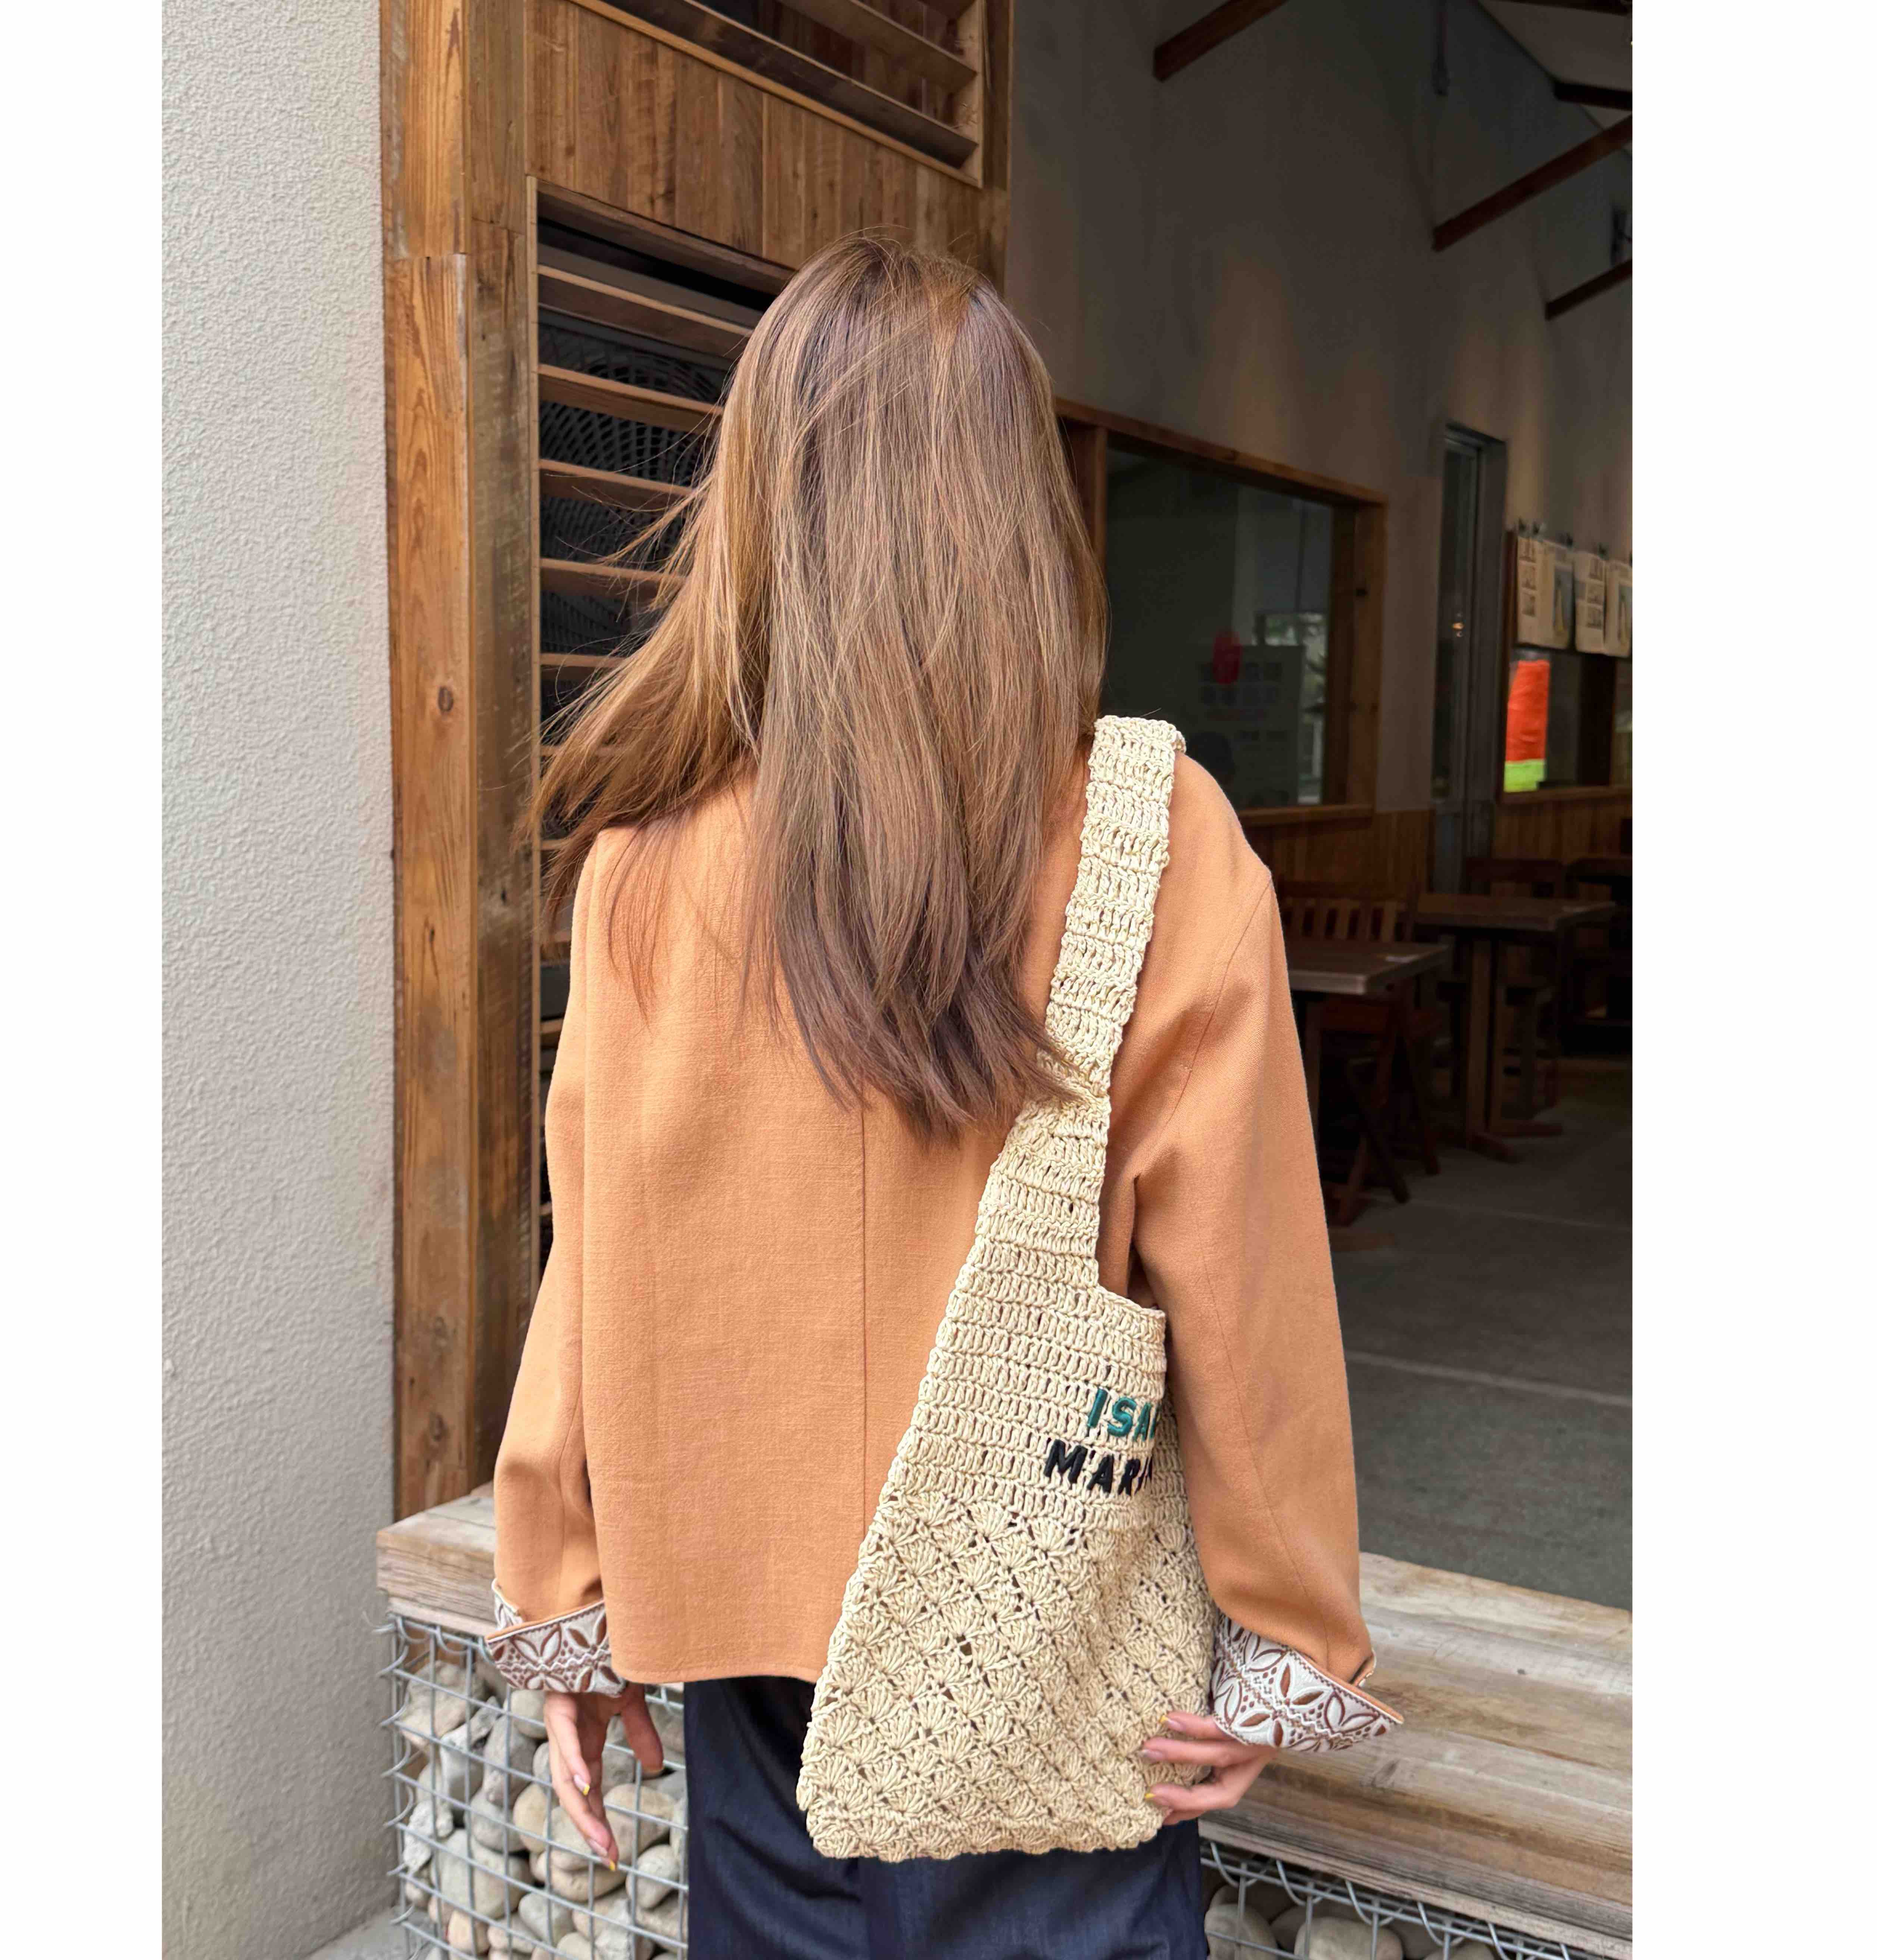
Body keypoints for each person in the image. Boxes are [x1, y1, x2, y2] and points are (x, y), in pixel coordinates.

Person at [492, 233, 1393, 1960]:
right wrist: (1288, 1634)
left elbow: (586, 1266)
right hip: (1037, 1655)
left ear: (761, 504)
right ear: (1014, 508)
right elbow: (1247, 1281)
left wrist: (563, 1594)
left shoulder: (642, 864)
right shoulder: (1149, 840)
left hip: (751, 1676)